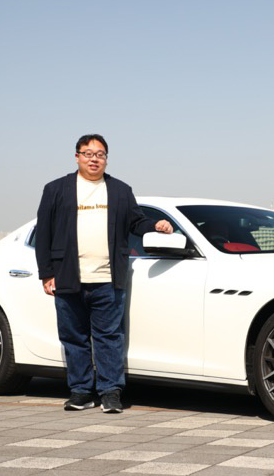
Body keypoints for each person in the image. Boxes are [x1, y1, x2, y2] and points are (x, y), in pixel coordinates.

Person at [35, 134, 173, 413]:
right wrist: (46, 274)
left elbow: (136, 222)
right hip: (68, 277)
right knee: (73, 338)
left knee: (109, 338)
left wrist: (155, 225)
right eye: (88, 153)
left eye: (100, 154)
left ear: (106, 159)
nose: (94, 159)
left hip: (108, 279)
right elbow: (44, 234)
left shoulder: (120, 190)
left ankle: (111, 392)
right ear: (77, 157)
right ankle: (81, 392)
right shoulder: (56, 189)